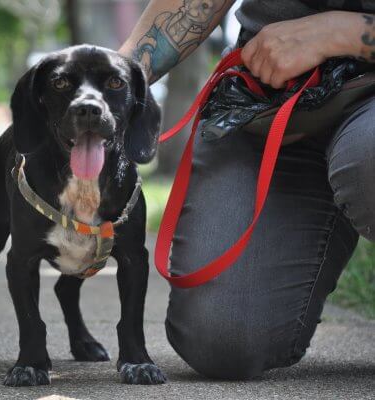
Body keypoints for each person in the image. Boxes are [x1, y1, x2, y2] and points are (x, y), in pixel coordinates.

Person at [119, 0, 375, 379]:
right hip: (266, 95)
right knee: (220, 339)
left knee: (368, 155)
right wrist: (110, 81)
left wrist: (341, 33)